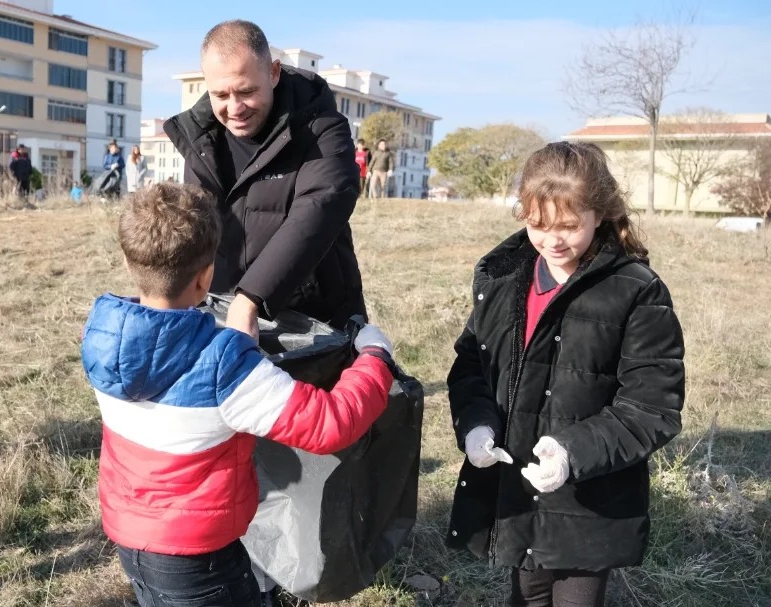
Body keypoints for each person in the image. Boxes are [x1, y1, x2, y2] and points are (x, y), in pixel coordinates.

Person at [80, 182, 398, 607]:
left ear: (127, 259)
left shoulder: (102, 334)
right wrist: (376, 357)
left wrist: (232, 345)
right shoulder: (226, 368)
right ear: (206, 275)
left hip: (131, 541)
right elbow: (330, 424)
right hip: (201, 558)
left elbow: (169, 356)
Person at [446, 142, 685, 607]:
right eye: (538, 224)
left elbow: (652, 405)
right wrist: (476, 424)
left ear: (601, 213)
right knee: (526, 594)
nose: (553, 240)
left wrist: (573, 452)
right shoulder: (502, 279)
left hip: (590, 499)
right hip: (517, 487)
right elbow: (472, 364)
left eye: (569, 226)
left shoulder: (637, 292)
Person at [164, 20, 366, 343]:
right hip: (227, 318)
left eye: (246, 91)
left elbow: (319, 208)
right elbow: (191, 232)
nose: (235, 108)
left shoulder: (323, 129)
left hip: (316, 324)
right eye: (220, 95)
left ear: (273, 73)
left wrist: (250, 299)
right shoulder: (200, 140)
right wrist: (156, 308)